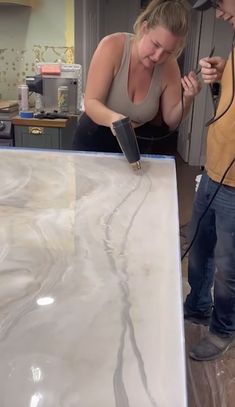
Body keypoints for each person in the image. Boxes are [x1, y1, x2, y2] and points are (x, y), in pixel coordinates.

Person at [72, 0, 201, 154]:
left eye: (168, 52)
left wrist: (187, 98)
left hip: (138, 142)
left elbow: (172, 121)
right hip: (94, 137)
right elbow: (92, 102)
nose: (158, 56)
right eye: (156, 44)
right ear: (144, 28)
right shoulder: (111, 46)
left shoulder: (170, 67)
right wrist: (115, 120)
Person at [184, 0, 235, 361]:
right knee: (199, 248)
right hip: (213, 168)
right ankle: (198, 306)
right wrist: (223, 71)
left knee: (227, 266)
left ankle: (223, 329)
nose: (218, 13)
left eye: (219, 2)